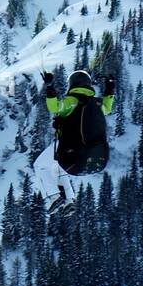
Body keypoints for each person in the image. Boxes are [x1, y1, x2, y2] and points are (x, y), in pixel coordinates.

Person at [32, 68, 115, 212]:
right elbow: (108, 108)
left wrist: (50, 87)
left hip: (70, 151)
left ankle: (54, 196)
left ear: (72, 84)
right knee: (58, 169)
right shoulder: (97, 104)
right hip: (89, 156)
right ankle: (69, 200)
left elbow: (54, 107)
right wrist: (110, 88)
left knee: (40, 166)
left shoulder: (71, 102)